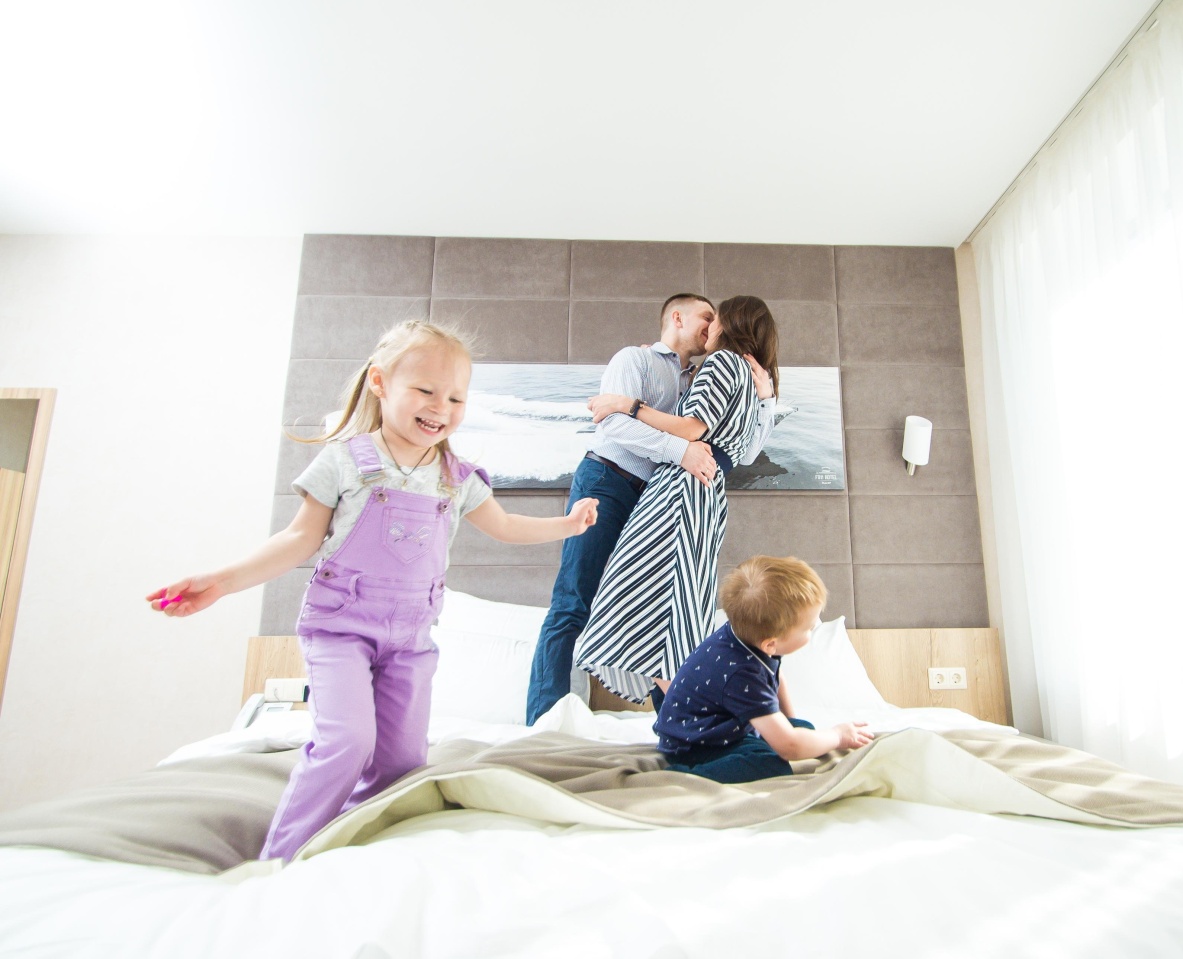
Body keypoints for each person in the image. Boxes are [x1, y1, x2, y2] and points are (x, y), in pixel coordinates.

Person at [146, 319, 598, 862]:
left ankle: (353, 845)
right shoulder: (345, 460)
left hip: (411, 639)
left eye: (456, 397)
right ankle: (282, 857)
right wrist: (221, 581)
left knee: (403, 762)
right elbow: (298, 539)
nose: (442, 407)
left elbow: (505, 526)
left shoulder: (456, 476)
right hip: (340, 628)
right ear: (381, 383)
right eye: (426, 390)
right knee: (347, 740)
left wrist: (567, 525)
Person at [525, 293, 776, 723]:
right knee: (575, 600)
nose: (711, 325)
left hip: (657, 493)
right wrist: (680, 451)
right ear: (677, 317)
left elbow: (737, 445)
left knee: (663, 603)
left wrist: (766, 400)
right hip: (608, 481)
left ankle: (679, 722)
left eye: (716, 319)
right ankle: (545, 721)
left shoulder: (706, 372)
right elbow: (613, 422)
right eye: (705, 316)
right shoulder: (635, 359)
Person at [651, 555, 873, 784]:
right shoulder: (743, 673)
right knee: (770, 765)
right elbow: (789, 747)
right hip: (697, 743)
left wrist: (790, 722)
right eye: (809, 627)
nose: (814, 628)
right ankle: (681, 776)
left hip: (716, 722)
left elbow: (775, 676)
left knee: (804, 729)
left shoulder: (748, 633)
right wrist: (837, 736)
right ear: (770, 644)